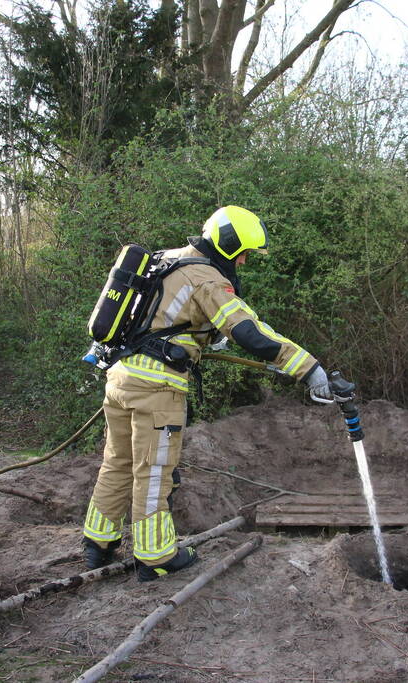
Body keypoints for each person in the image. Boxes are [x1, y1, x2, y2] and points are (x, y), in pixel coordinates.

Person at [82, 206, 333, 581]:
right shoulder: (207, 279)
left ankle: (98, 542)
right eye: (244, 252)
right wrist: (309, 368)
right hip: (157, 387)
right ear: (228, 245)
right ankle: (156, 557)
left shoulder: (168, 259)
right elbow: (250, 332)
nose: (245, 261)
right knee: (153, 473)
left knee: (116, 462)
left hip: (120, 377)